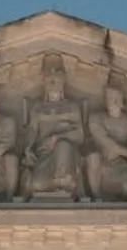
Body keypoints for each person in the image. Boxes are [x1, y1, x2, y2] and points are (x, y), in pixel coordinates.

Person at [23, 60, 85, 200]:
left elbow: (80, 135)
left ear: (62, 85)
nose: (52, 85)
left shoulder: (72, 107)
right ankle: (56, 182)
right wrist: (27, 148)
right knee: (37, 184)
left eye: (56, 81)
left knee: (63, 145)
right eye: (49, 82)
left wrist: (58, 137)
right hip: (43, 154)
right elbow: (32, 130)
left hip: (66, 155)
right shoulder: (38, 108)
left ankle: (63, 178)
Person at [85, 86, 127, 201]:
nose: (113, 101)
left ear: (123, 102)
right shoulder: (96, 118)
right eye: (110, 98)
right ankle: (96, 198)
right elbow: (106, 141)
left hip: (117, 164)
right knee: (93, 157)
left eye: (117, 98)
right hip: (99, 165)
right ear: (105, 101)